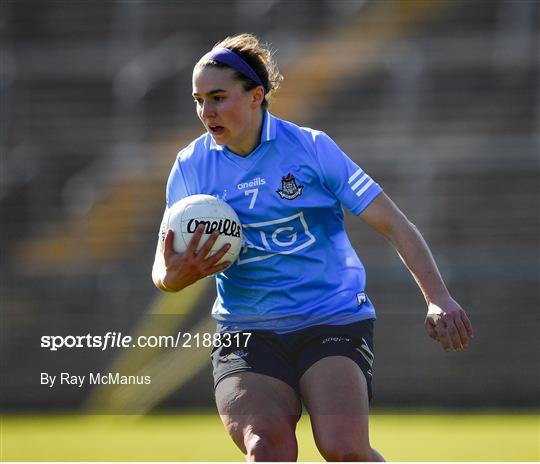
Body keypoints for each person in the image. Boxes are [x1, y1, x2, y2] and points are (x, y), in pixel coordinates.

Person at [152, 33, 474, 462]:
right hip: (247, 331)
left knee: (343, 448)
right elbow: (163, 269)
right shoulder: (191, 166)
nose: (205, 112)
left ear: (256, 96)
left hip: (331, 320)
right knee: (267, 449)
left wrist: (438, 298)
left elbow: (395, 224)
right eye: (198, 100)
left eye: (217, 97)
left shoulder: (311, 149)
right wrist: (177, 277)